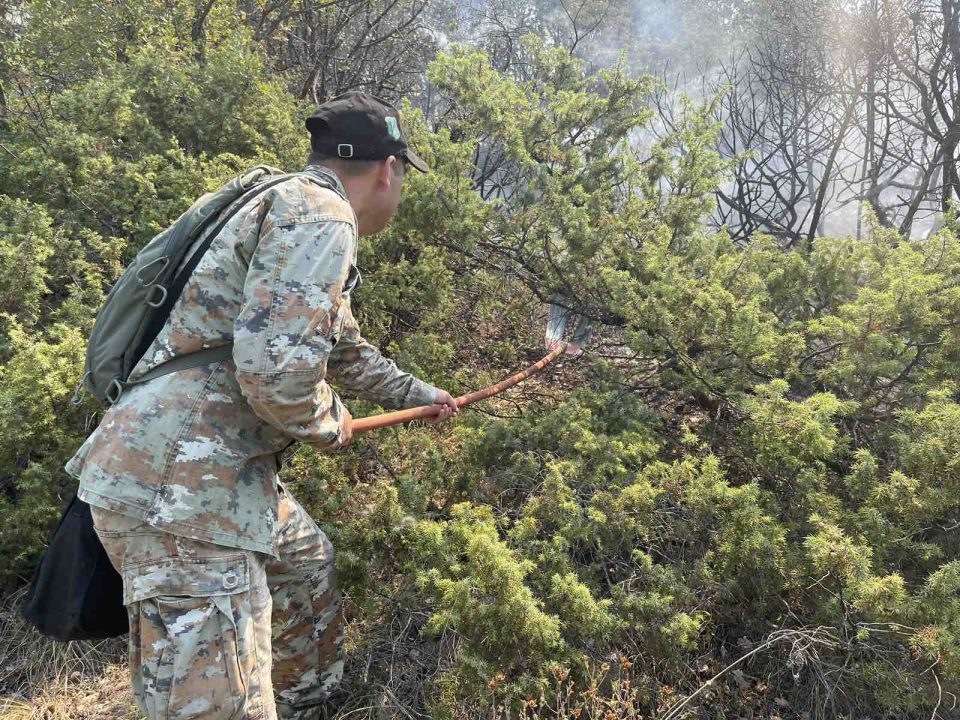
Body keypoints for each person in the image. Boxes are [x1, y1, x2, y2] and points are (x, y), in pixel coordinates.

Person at [64, 92, 458, 720]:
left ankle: (309, 701)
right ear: (388, 170)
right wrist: (330, 422)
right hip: (183, 494)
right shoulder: (323, 215)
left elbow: (342, 348)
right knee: (216, 707)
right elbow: (278, 375)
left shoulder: (285, 201)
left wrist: (423, 396)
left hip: (197, 470)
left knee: (303, 565)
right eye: (403, 176)